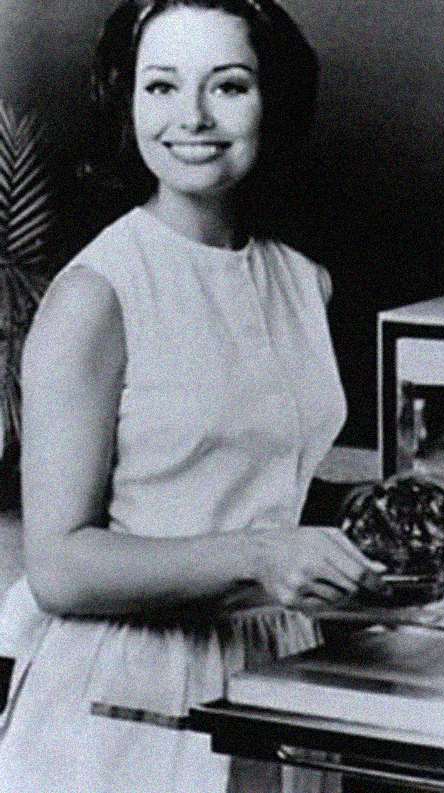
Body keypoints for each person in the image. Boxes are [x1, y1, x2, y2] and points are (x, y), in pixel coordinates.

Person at [0, 1, 385, 790]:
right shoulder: (94, 296)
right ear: (126, 100)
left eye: (229, 86)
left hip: (277, 667)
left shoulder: (302, 279)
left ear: (271, 99)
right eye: (162, 87)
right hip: (127, 695)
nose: (192, 118)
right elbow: (61, 564)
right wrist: (260, 554)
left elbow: (254, 469)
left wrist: (377, 515)